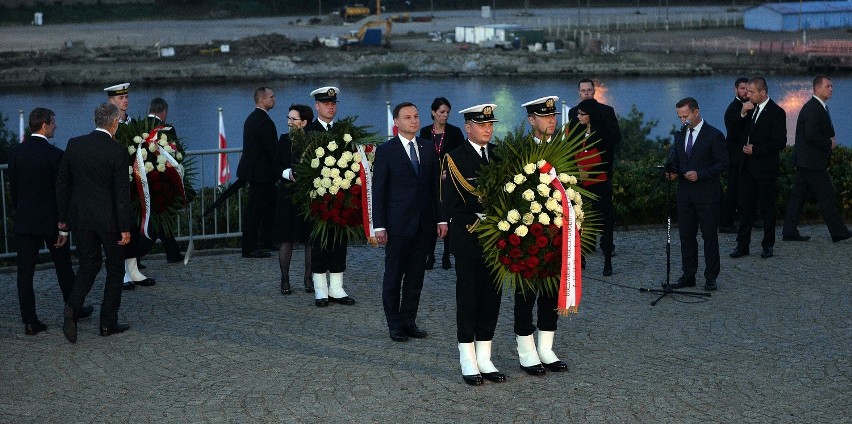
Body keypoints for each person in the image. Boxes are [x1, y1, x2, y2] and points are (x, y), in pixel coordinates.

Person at [8, 108, 92, 335]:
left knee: (24, 273)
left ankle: (29, 320)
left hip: (25, 221)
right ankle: (73, 308)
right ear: (44, 125)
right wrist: (63, 223)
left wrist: (18, 210)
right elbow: (62, 192)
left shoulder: (16, 153)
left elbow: (13, 189)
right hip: (51, 222)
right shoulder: (55, 155)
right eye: (53, 123)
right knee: (64, 268)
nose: (56, 126)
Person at [56, 103, 133, 343]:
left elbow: (63, 184)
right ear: (114, 123)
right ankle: (107, 323)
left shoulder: (74, 144)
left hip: (80, 218)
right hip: (109, 221)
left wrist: (63, 220)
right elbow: (122, 194)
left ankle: (72, 308)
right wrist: (125, 227)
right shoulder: (117, 150)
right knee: (115, 268)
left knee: (88, 265)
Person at [442, 103, 506, 386]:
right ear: (468, 127)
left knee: (492, 299)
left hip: (497, 242)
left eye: (490, 124)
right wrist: (488, 219)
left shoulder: (499, 155)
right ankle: (467, 358)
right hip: (469, 238)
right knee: (468, 298)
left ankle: (485, 357)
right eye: (482, 125)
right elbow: (452, 204)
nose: (487, 129)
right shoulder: (454, 158)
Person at [373, 102, 447, 342]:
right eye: (407, 117)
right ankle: (394, 324)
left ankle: (409, 321)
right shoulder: (386, 150)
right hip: (397, 225)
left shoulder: (427, 148)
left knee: (416, 277)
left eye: (416, 116)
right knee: (394, 277)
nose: (413, 121)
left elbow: (436, 187)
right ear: (396, 122)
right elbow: (379, 190)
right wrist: (380, 225)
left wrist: (441, 219)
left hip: (424, 225)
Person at [507, 95, 569, 376]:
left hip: (558, 234)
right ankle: (526, 350)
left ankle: (546, 347)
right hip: (528, 235)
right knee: (526, 294)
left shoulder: (564, 148)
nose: (551, 121)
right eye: (544, 117)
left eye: (553, 116)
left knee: (551, 293)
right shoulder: (520, 152)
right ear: (531, 120)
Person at [665, 97, 729, 291]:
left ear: (696, 112)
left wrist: (700, 174)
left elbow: (723, 164)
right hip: (684, 194)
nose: (683, 120)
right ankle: (688, 274)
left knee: (709, 235)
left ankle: (711, 276)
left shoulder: (714, 135)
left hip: (707, 194)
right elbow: (677, 159)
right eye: (680, 117)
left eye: (685, 116)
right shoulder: (680, 134)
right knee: (686, 235)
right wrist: (673, 172)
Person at [783, 75, 852, 243]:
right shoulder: (813, 108)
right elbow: (811, 135)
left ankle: (789, 231)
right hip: (812, 162)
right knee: (827, 195)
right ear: (818, 88)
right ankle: (838, 232)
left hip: (807, 161)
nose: (831, 89)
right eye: (828, 86)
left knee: (798, 197)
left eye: (831, 86)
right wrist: (828, 143)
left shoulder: (817, 107)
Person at [304, 86, 356, 307]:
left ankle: (336, 288)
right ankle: (320, 289)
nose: (330, 107)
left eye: (333, 104)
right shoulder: (308, 132)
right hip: (317, 197)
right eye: (326, 104)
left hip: (341, 195)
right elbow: (301, 163)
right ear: (317, 106)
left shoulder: (343, 131)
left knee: (338, 242)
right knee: (319, 242)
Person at [730, 77, 787, 260]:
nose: (748, 94)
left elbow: (780, 142)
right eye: (747, 91)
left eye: (752, 92)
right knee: (746, 207)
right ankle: (742, 245)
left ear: (763, 93)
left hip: (765, 169)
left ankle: (768, 245)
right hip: (746, 168)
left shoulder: (777, 112)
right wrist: (741, 114)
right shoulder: (748, 108)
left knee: (767, 208)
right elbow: (733, 131)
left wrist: (756, 150)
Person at [568, 78, 621, 275]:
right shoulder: (574, 113)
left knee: (605, 215)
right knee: (581, 215)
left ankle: (607, 248)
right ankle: (583, 250)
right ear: (579, 92)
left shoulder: (606, 111)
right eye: (583, 90)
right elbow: (571, 142)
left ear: (594, 91)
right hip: (580, 177)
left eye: (590, 90)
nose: (587, 93)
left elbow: (615, 138)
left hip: (602, 174)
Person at [419, 97, 465, 270]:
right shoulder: (424, 132)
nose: (445, 116)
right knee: (430, 219)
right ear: (433, 112)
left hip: (449, 181)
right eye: (441, 112)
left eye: (447, 112)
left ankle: (447, 255)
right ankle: (429, 255)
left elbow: (461, 155)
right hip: (430, 182)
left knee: (448, 218)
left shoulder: (455, 132)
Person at [277, 104, 315, 295]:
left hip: (307, 195)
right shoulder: (284, 140)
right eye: (288, 118)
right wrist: (286, 172)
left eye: (294, 119)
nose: (289, 122)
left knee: (309, 239)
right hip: (287, 194)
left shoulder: (313, 140)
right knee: (286, 238)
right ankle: (285, 279)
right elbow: (275, 166)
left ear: (305, 122)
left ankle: (309, 278)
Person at [237, 87, 278, 259]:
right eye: (271, 97)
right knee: (255, 211)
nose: (274, 99)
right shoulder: (263, 121)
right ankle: (250, 247)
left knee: (268, 207)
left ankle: (264, 241)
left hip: (258, 173)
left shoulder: (253, 118)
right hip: (261, 174)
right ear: (262, 100)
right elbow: (271, 150)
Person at [143, 97, 184, 263]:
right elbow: (178, 153)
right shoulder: (167, 129)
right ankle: (135, 254)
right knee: (159, 218)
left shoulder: (140, 125)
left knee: (155, 216)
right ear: (164, 112)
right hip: (163, 179)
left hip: (143, 179)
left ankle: (172, 252)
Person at [719, 77, 752, 234]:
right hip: (734, 156)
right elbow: (732, 127)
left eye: (747, 89)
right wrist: (743, 112)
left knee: (745, 188)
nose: (745, 91)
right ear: (736, 90)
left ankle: (750, 218)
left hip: (746, 156)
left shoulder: (752, 106)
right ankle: (725, 223)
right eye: (742, 88)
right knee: (733, 189)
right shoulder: (733, 108)